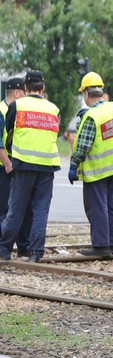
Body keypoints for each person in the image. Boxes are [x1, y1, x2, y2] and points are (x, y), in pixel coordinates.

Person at [0, 70, 60, 262]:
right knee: (40, 210)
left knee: (16, 209)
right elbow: (54, 135)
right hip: (47, 166)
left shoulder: (18, 105)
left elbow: (9, 131)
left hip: (23, 164)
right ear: (42, 88)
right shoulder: (53, 109)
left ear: (25, 88)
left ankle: (4, 250)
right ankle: (35, 252)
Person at [69, 72, 113, 258]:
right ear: (101, 90)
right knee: (110, 206)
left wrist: (73, 166)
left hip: (96, 169)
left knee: (96, 207)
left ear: (86, 93)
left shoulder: (91, 116)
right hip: (112, 166)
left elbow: (83, 146)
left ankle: (100, 246)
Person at [0, 76, 32, 257]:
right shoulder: (4, 110)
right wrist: (7, 163)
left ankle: (20, 246)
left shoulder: (15, 108)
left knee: (18, 207)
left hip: (14, 164)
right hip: (5, 166)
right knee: (4, 209)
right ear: (18, 93)